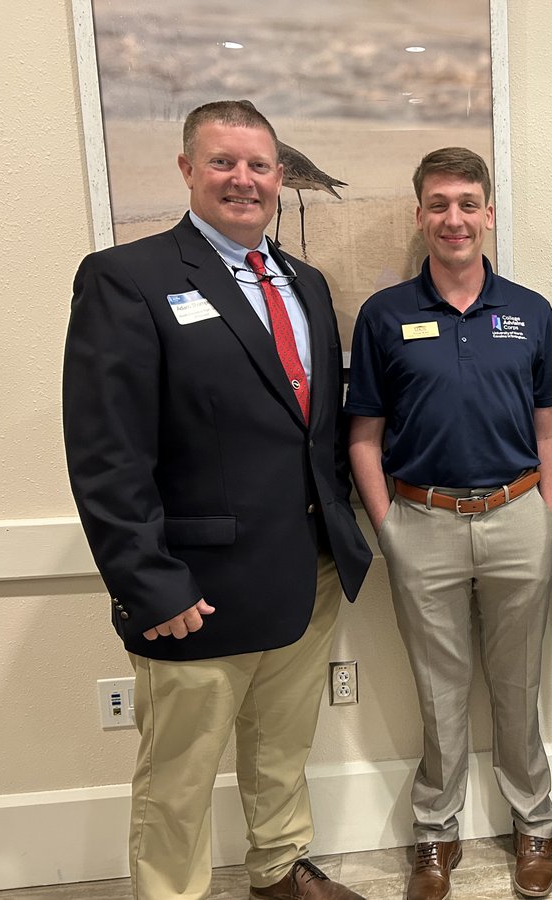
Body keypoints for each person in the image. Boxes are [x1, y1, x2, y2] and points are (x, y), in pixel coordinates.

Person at [62, 100, 373, 900]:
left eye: (259, 165)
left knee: (282, 752)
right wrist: (148, 583)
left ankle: (276, 870)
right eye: (223, 162)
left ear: (279, 176)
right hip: (193, 592)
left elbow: (313, 428)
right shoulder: (128, 278)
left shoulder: (305, 283)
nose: (244, 180)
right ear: (187, 170)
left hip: (307, 577)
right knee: (178, 780)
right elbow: (107, 454)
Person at [346, 147, 552, 900]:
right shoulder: (385, 315)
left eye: (468, 202)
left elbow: (549, 430)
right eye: (438, 204)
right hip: (422, 521)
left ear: (489, 213)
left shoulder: (530, 312)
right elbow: (362, 437)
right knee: (437, 694)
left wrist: (547, 514)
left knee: (520, 684)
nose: (454, 218)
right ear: (420, 216)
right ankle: (435, 837)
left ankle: (533, 823)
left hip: (517, 516)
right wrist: (391, 530)